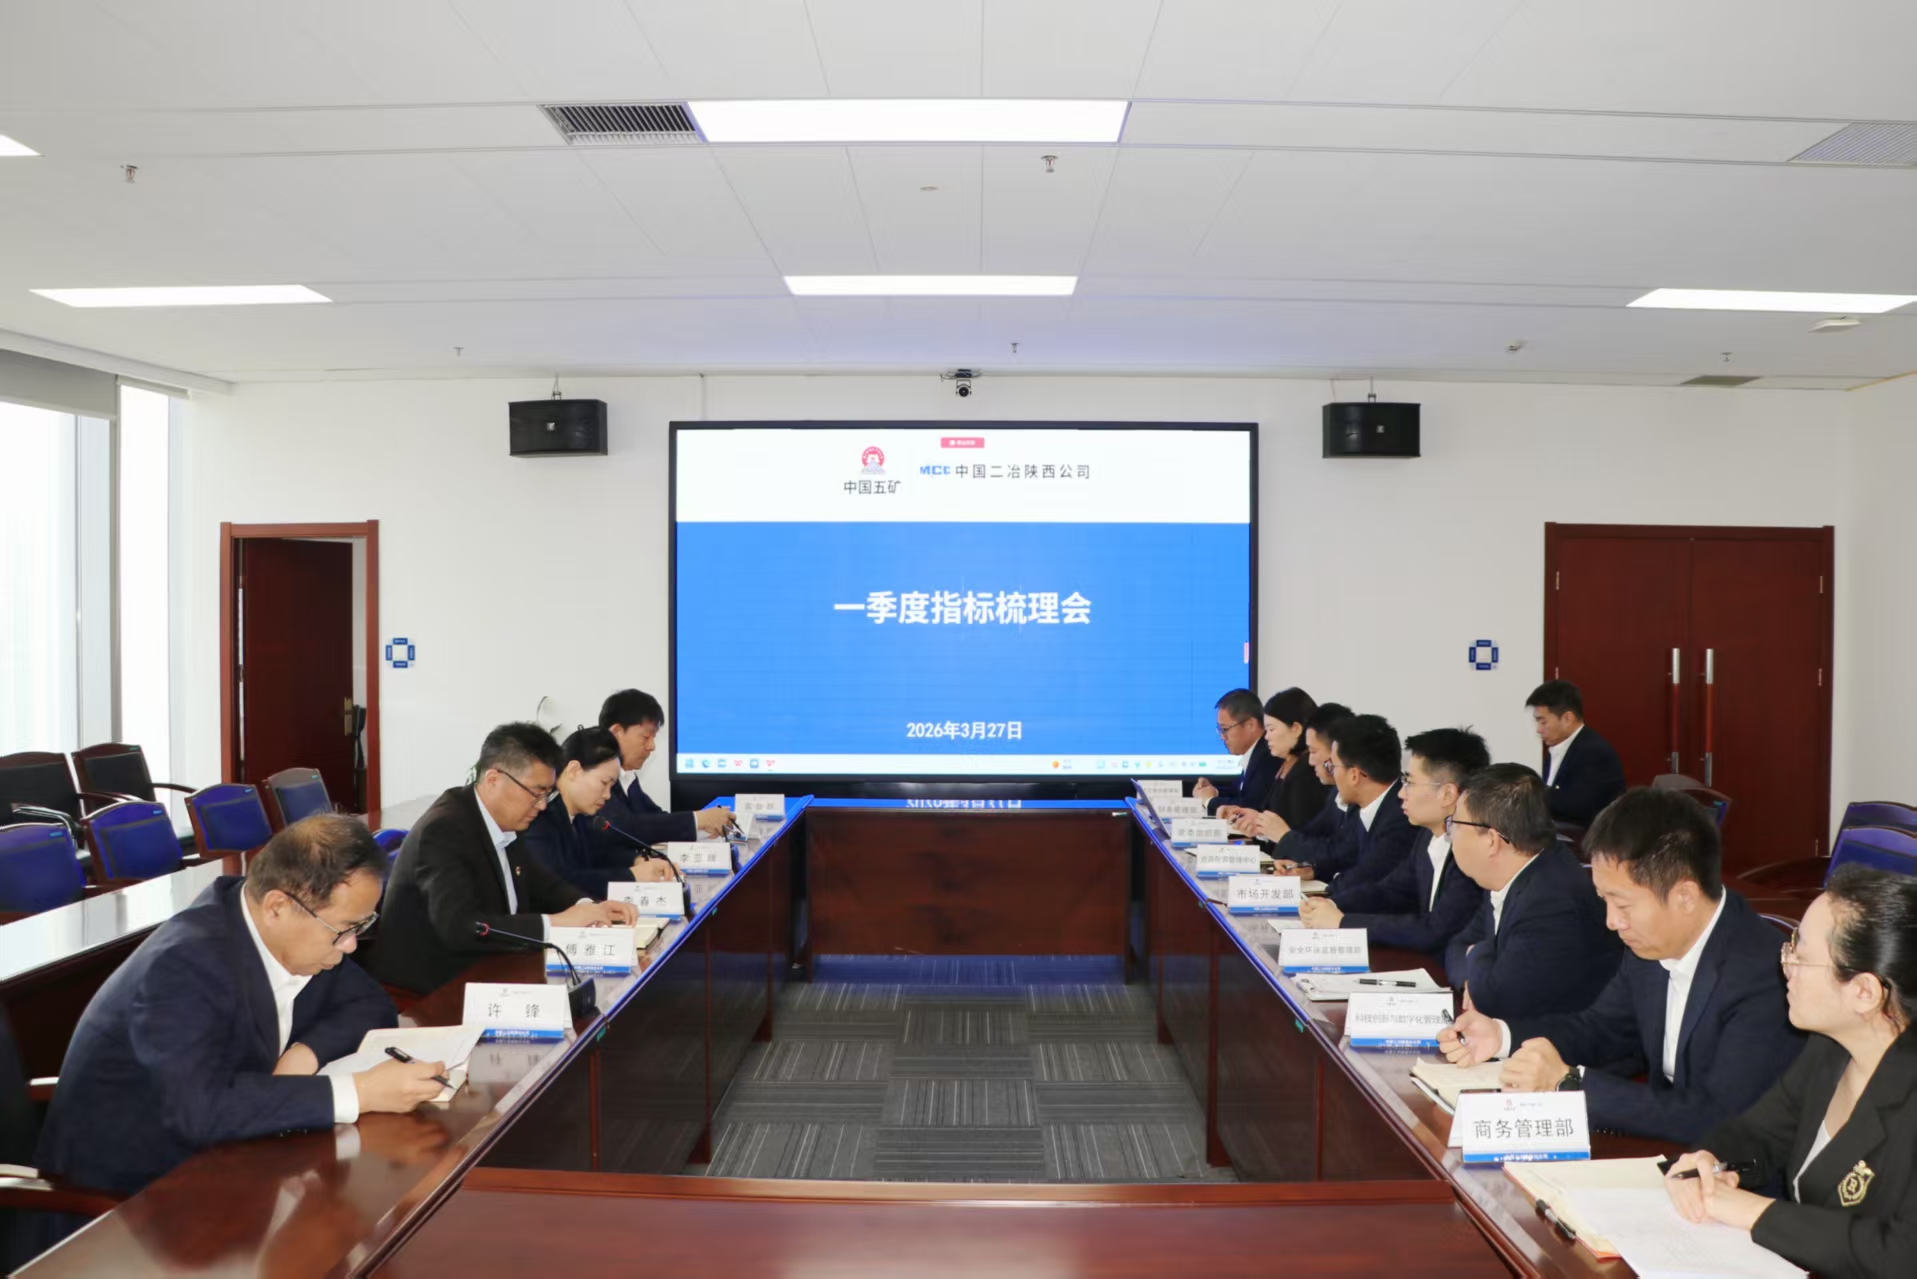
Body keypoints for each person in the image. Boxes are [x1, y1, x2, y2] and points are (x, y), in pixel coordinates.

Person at [35, 815, 447, 1198]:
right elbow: (200, 1111)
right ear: (277, 906)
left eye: (360, 927)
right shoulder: (183, 966)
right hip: (128, 1195)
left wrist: (305, 1054)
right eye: (344, 929)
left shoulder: (294, 934)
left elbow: (370, 1003)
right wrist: (360, 1091)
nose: (351, 945)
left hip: (230, 1158)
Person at [1442, 787, 1802, 1144]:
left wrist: (1570, 1084)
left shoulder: (1764, 975)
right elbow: (1602, 1031)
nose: (1612, 922)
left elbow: (1718, 1116)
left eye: (1623, 905)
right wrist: (1502, 1036)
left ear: (1685, 896)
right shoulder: (1651, 945)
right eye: (1605, 901)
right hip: (1665, 1146)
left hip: (1730, 1163)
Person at [1665, 867, 1917, 1278]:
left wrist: (1755, 1212)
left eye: (1801, 957)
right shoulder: (1829, 1049)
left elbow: (1901, 1254)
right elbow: (1759, 1133)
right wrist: (1708, 1163)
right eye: (1791, 947)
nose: (1786, 967)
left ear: (1864, 992)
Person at [369, 722, 638, 994]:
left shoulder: (507, 819)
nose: (542, 805)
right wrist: (558, 923)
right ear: (493, 780)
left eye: (548, 794)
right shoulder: (444, 830)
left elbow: (542, 885)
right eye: (536, 793)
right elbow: (461, 927)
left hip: (493, 967)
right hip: (432, 989)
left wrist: (589, 907)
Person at [1440, 764, 1621, 1020]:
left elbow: (1495, 1001)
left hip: (1560, 1039)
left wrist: (1475, 954)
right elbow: (1456, 946)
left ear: (1491, 841)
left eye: (1455, 824)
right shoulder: (1509, 872)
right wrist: (1473, 977)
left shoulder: (1550, 900)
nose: (1450, 835)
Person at [1300, 727, 1490, 959]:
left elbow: (1434, 930)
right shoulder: (1427, 837)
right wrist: (1330, 904)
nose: (1401, 793)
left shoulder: (1473, 853)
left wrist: (1343, 922)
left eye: (1410, 782)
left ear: (1447, 794)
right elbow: (1390, 891)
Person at [518, 727, 677, 898]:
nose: (607, 795)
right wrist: (632, 876)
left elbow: (601, 853)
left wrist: (637, 860)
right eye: (604, 783)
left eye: (612, 787)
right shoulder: (539, 818)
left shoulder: (580, 815)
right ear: (574, 771)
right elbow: (561, 884)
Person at [1271, 714, 1416, 897]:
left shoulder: (1400, 817)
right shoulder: (1363, 805)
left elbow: (1367, 877)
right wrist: (1311, 869)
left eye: (1333, 766)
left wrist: (1323, 896)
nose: (1332, 774)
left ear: (1354, 775)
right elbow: (1344, 854)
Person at [590, 689, 731, 850]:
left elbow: (654, 817)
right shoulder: (595, 775)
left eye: (654, 738)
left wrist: (705, 828)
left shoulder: (627, 776)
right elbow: (628, 828)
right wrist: (699, 819)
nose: (652, 746)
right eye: (646, 737)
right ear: (616, 733)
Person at [1252, 701, 1352, 861]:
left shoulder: (1304, 773)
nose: (1310, 761)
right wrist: (1262, 826)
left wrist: (1284, 836)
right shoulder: (1336, 794)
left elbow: (1338, 853)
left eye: (1313, 751)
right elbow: (1311, 834)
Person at [1228, 688, 1330, 839]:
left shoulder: (1306, 771)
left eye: (1271, 729)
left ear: (1296, 728)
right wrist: (1257, 821)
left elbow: (1300, 835)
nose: (1266, 737)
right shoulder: (1287, 764)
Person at [1527, 679, 1626, 827]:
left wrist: (1529, 794)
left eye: (1543, 722)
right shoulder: (1557, 749)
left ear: (1567, 718)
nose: (1539, 730)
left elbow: (1576, 807)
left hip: (1586, 835)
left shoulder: (1593, 752)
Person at [1194, 688, 1276, 819]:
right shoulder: (1256, 752)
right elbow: (1239, 793)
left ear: (1250, 725)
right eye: (1220, 730)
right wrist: (1212, 791)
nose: (1222, 737)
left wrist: (1209, 801)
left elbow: (1251, 806)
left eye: (1225, 729)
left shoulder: (1268, 757)